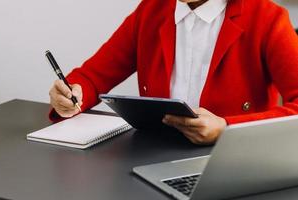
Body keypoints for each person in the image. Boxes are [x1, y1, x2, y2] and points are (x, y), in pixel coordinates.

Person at [49, 0, 298, 145]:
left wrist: (227, 128)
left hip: (233, 162)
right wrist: (72, 93)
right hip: (152, 156)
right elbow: (92, 76)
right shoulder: (151, 10)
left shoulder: (268, 17)